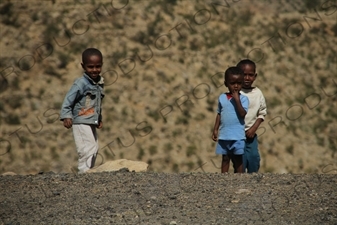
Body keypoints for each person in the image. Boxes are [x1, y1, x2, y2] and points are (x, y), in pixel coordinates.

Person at [60, 48, 105, 173]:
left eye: (98, 66)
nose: (94, 70)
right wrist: (66, 116)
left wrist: (99, 118)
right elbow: (68, 100)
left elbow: (97, 103)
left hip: (90, 120)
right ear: (83, 66)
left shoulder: (98, 83)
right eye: (90, 67)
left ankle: (89, 171)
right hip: (80, 120)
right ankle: (84, 173)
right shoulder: (81, 83)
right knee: (87, 147)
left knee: (94, 146)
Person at [212, 66, 249, 173]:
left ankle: (239, 179)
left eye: (239, 83)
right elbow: (219, 114)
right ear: (226, 84)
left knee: (238, 159)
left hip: (237, 136)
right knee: (225, 158)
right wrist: (215, 129)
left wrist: (237, 100)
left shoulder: (243, 99)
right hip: (224, 135)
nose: (236, 86)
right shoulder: (222, 98)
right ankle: (224, 179)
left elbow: (242, 114)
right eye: (232, 83)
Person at [237, 59, 267, 173]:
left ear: (255, 76)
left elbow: (262, 113)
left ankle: (253, 182)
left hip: (250, 136)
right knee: (241, 160)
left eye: (250, 75)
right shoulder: (235, 92)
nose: (247, 78)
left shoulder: (258, 93)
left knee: (253, 158)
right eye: (244, 75)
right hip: (237, 135)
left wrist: (254, 128)